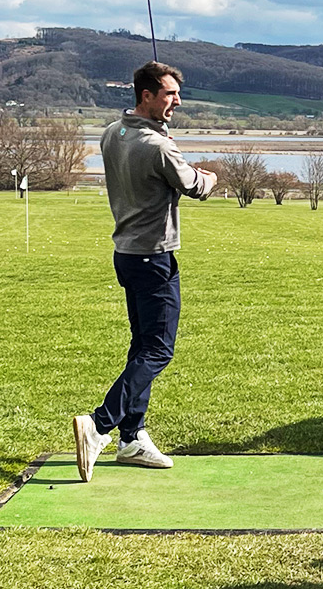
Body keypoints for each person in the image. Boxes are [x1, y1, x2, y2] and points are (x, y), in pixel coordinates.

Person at [71, 61, 217, 481]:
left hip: (127, 255)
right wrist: (207, 174)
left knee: (142, 347)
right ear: (146, 96)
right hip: (155, 259)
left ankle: (132, 437)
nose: (177, 101)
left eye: (177, 94)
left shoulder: (112, 134)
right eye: (169, 94)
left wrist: (162, 136)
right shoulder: (159, 147)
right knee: (158, 349)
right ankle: (99, 425)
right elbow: (196, 185)